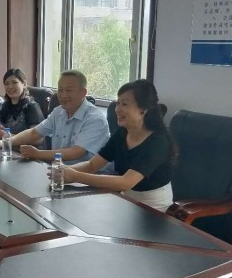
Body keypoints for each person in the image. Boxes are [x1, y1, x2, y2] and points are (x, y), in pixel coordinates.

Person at [62, 79, 174, 211]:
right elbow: (92, 165)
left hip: (154, 208)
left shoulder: (158, 142)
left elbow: (126, 182)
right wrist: (61, 171)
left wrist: (75, 176)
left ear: (143, 109)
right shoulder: (122, 133)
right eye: (118, 103)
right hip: (125, 200)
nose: (117, 109)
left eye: (124, 104)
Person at [0, 70, 109, 163]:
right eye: (60, 90)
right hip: (59, 171)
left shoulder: (95, 119)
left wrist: (38, 154)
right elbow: (34, 133)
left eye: (69, 90)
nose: (63, 95)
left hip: (91, 179)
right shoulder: (58, 112)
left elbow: (76, 152)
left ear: (83, 93)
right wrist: (4, 142)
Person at [0, 68, 44, 137]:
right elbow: (0, 129)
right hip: (4, 143)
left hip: (24, 144)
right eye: (6, 84)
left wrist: (8, 136)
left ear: (24, 84)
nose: (10, 87)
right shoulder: (5, 105)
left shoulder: (32, 107)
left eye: (14, 82)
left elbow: (37, 138)